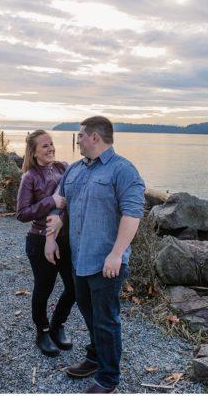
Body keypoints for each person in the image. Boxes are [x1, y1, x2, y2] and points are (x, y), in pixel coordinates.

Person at [46, 116, 145, 394]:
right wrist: (50, 239)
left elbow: (132, 214)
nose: (77, 140)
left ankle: (109, 378)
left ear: (94, 137)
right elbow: (60, 203)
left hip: (106, 263)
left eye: (80, 135)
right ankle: (94, 357)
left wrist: (116, 254)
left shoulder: (122, 170)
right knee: (90, 316)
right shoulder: (75, 170)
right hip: (79, 258)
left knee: (106, 320)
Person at [15, 130, 75, 357]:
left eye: (51, 144)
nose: (50, 148)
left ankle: (58, 324)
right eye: (44, 146)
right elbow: (21, 213)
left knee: (74, 287)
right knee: (44, 288)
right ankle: (43, 331)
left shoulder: (63, 167)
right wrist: (51, 200)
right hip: (40, 240)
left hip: (66, 238)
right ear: (33, 151)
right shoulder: (29, 177)